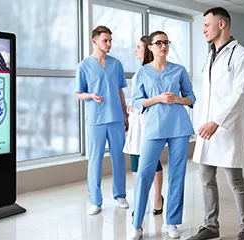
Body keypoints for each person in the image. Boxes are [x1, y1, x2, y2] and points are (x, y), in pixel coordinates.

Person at [188, 7, 244, 240]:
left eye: (207, 24)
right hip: (207, 128)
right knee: (206, 178)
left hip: (226, 128)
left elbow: (239, 95)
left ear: (222, 24)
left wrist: (217, 121)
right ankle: (210, 226)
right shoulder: (210, 56)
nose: (204, 29)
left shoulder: (242, 55)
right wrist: (206, 121)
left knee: (235, 181)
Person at [129, 31, 196, 240]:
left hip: (179, 127)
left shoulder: (179, 70)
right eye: (159, 43)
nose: (163, 46)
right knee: (143, 174)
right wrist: (158, 98)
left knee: (177, 175)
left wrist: (176, 99)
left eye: (166, 42)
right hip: (154, 127)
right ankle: (137, 225)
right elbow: (137, 102)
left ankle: (172, 222)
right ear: (150, 47)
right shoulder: (142, 73)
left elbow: (191, 98)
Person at [76, 25, 129, 215]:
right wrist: (90, 96)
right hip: (96, 120)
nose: (109, 44)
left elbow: (119, 91)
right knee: (95, 160)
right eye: (105, 40)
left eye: (110, 40)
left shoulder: (116, 64)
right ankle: (96, 201)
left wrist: (125, 114)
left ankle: (120, 195)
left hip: (115, 118)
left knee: (118, 158)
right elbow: (79, 93)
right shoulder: (84, 66)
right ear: (94, 41)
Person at [123, 36, 164, 216]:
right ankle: (140, 200)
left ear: (147, 48)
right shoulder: (139, 72)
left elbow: (158, 97)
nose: (135, 50)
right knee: (135, 161)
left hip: (149, 121)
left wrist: (141, 104)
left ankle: (157, 198)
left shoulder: (155, 72)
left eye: (138, 47)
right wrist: (132, 106)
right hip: (136, 121)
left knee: (152, 161)